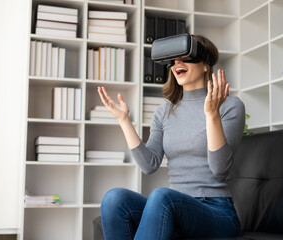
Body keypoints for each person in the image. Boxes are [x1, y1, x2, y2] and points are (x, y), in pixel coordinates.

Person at [96, 35, 245, 240]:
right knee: (114, 198)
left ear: (204, 65)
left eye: (185, 57)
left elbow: (219, 170)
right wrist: (124, 120)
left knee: (162, 195)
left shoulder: (230, 106)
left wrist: (212, 115)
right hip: (175, 208)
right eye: (174, 59)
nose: (177, 64)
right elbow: (149, 165)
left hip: (217, 212)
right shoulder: (164, 112)